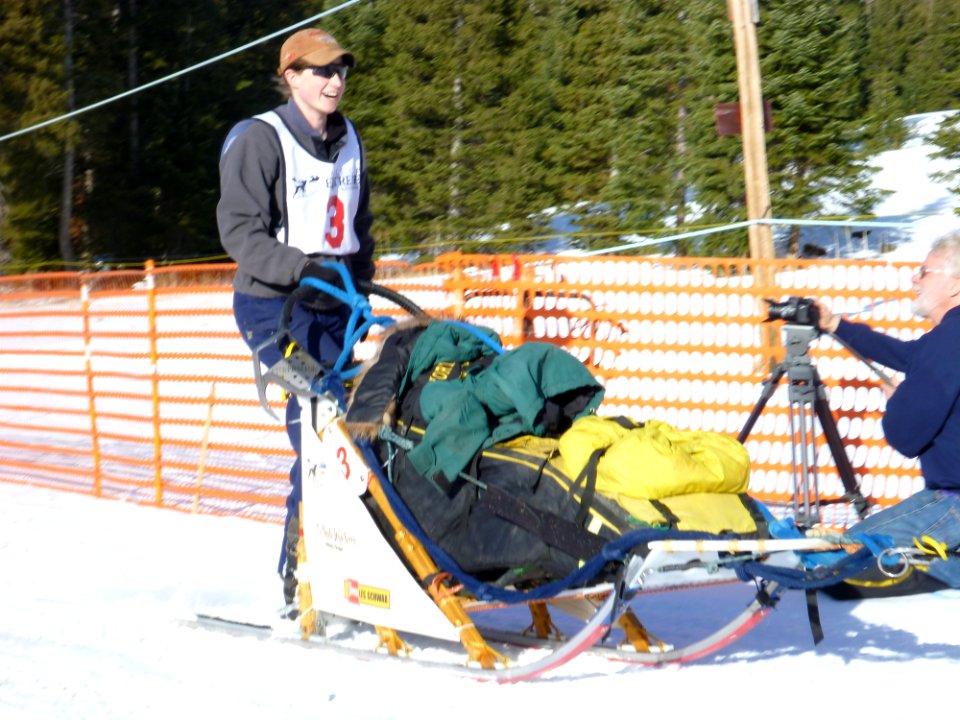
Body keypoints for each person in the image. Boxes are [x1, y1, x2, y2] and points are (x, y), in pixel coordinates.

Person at [217, 28, 376, 617]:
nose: (335, 80)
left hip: (336, 304)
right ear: (291, 76)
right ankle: (301, 576)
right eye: (322, 70)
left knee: (368, 424)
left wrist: (359, 291)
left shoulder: (351, 138)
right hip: (272, 307)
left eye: (342, 71)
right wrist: (301, 268)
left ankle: (360, 563)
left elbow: (361, 228)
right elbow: (240, 234)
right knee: (319, 428)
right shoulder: (262, 139)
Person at [815, 230, 960, 593]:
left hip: (952, 505)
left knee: (833, 560)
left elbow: (906, 435)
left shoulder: (949, 341)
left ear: (955, 284)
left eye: (925, 272)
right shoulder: (946, 338)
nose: (914, 278)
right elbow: (908, 356)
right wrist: (836, 325)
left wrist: (898, 400)